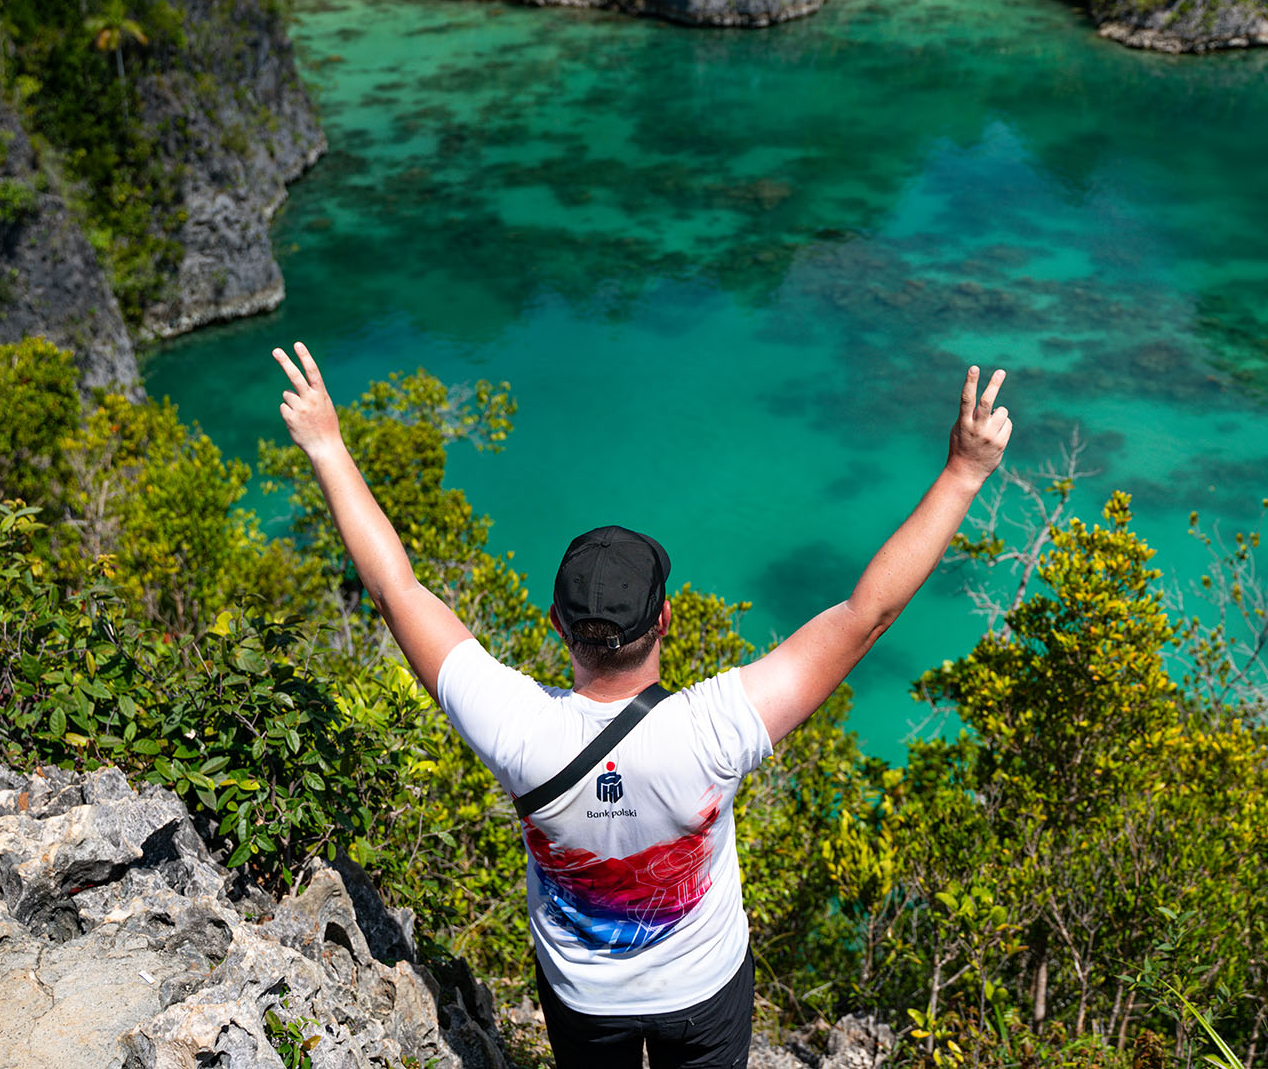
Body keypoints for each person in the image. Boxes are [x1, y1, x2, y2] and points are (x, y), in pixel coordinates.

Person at [271, 342, 1013, 1068]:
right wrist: (963, 472)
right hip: (705, 988)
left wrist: (329, 446)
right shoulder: (714, 730)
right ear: (664, 621)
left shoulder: (515, 728)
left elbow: (395, 589)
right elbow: (866, 615)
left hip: (584, 998)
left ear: (558, 625)